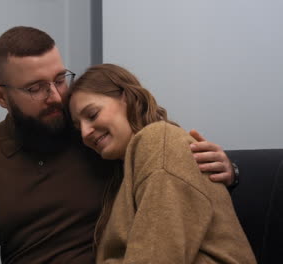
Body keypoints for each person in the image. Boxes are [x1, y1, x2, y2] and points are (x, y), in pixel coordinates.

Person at [0, 26, 237, 264]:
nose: (55, 96)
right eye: (35, 88)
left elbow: (163, 160)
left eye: (60, 79)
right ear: (0, 96)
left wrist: (229, 170)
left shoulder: (96, 133)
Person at [69, 63, 255, 263]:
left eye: (92, 115)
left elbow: (157, 256)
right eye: (78, 127)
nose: (85, 133)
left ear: (126, 97)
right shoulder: (120, 173)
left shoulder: (158, 139)